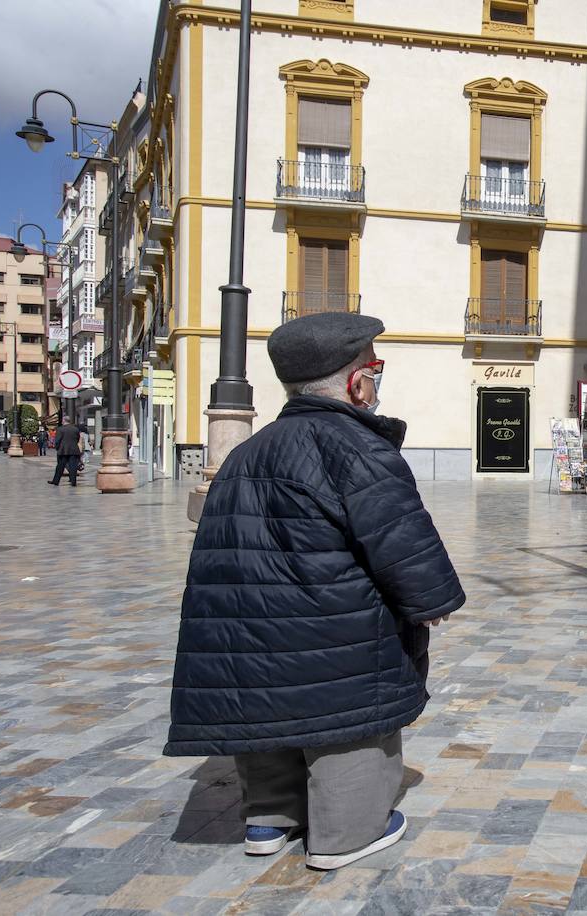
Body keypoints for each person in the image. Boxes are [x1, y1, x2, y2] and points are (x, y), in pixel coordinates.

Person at [165, 312, 466, 870]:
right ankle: (344, 836)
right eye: (374, 370)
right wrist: (432, 602)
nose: (376, 382)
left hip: (250, 626)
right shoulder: (355, 446)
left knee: (270, 716)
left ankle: (268, 821)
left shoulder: (246, 453)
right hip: (335, 622)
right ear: (356, 382)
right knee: (345, 727)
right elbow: (398, 536)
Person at [49, 419, 86, 487]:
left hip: (63, 450)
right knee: (73, 467)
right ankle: (73, 482)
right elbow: (77, 438)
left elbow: (57, 440)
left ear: (64, 421)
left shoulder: (60, 429)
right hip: (74, 450)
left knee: (60, 467)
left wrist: (57, 448)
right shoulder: (75, 429)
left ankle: (56, 481)